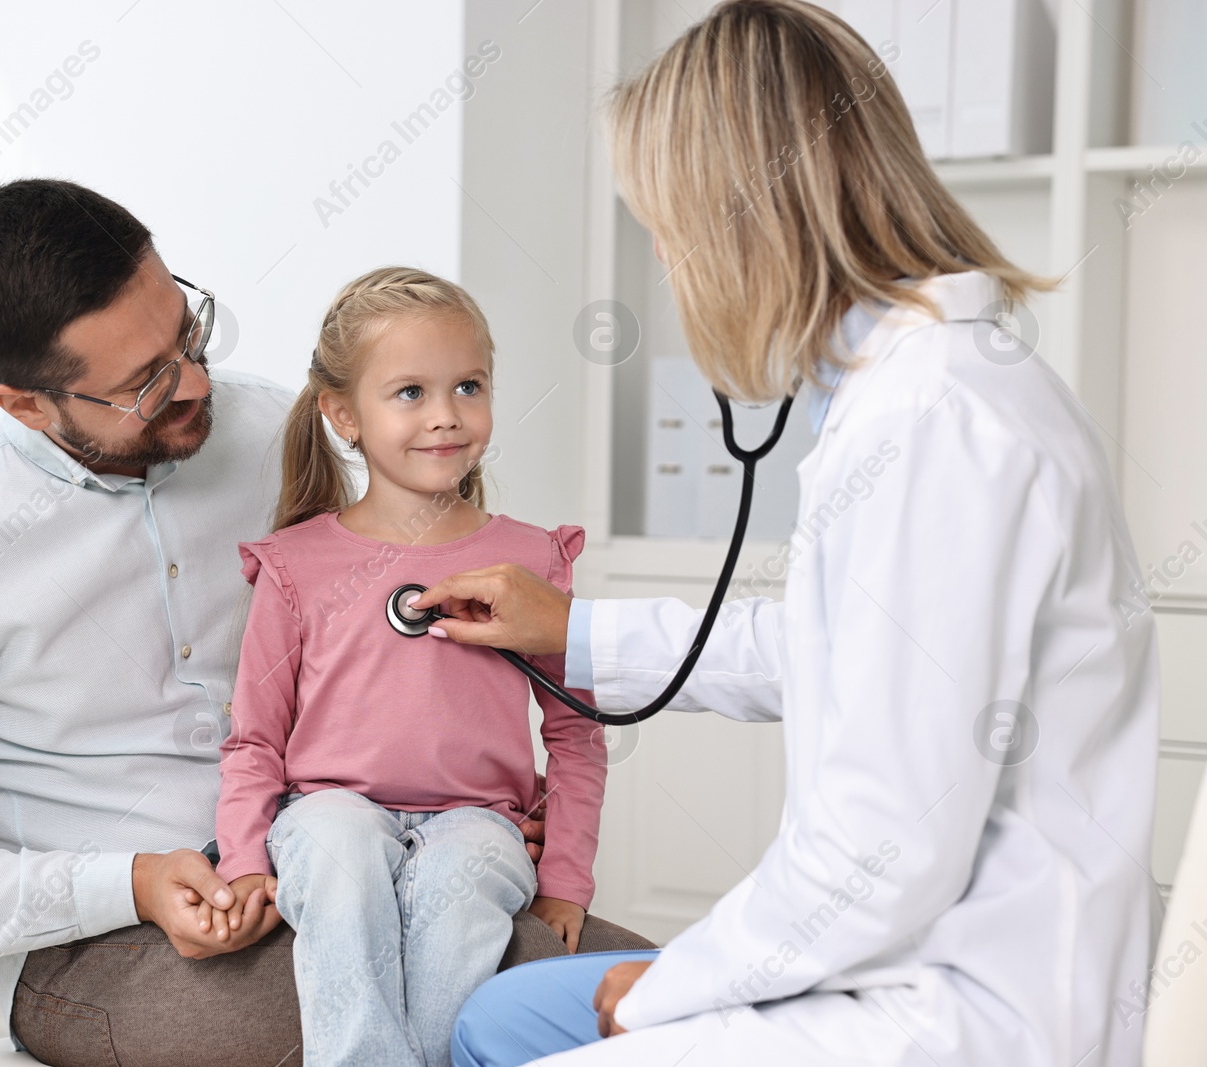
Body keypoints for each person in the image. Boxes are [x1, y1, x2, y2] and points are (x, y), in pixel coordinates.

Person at [418, 3, 1161, 1065]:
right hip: (919, 957)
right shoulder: (908, 390)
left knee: (538, 1030)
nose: (672, 271)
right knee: (499, 1019)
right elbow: (832, 650)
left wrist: (676, 982)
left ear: (740, 224)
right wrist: (569, 630)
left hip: (966, 1004)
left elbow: (878, 854)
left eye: (667, 235)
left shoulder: (932, 421)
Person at [0, 179, 653, 1066]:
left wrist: (476, 795)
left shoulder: (264, 430)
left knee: (671, 1000)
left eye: (188, 334)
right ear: (26, 403)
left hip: (349, 857)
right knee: (529, 1020)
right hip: (104, 950)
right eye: (145, 385)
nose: (197, 383)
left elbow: (376, 632)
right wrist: (129, 882)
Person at [209, 267, 609, 1067]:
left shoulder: (530, 561)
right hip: (330, 806)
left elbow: (577, 735)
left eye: (468, 385)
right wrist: (247, 855)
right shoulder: (297, 565)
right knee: (336, 853)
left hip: (480, 817)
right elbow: (254, 739)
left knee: (466, 886)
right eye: (410, 394)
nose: (446, 417)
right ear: (342, 415)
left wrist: (565, 877)